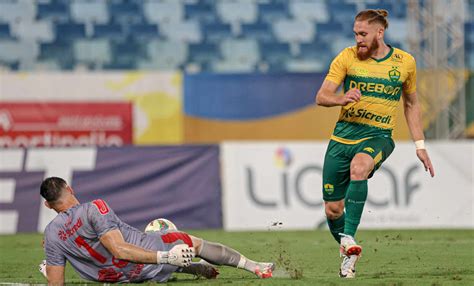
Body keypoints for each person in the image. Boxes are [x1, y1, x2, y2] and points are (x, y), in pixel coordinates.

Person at [315, 9, 435, 278]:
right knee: (333, 209)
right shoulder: (346, 57)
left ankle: (349, 236)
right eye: (356, 33)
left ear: (379, 33)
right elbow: (322, 96)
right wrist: (341, 99)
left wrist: (420, 144)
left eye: (363, 33)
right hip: (342, 138)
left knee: (360, 167)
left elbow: (412, 104)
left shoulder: (405, 62)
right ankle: (348, 250)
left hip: (378, 135)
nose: (358, 38)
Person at [40, 177, 274, 285]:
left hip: (118, 279)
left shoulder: (50, 234)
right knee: (194, 243)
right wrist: (166, 256)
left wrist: (50, 273)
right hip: (147, 258)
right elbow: (119, 250)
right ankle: (255, 266)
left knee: (153, 256)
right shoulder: (94, 208)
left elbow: (56, 283)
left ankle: (192, 268)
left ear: (47, 205)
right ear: (70, 189)